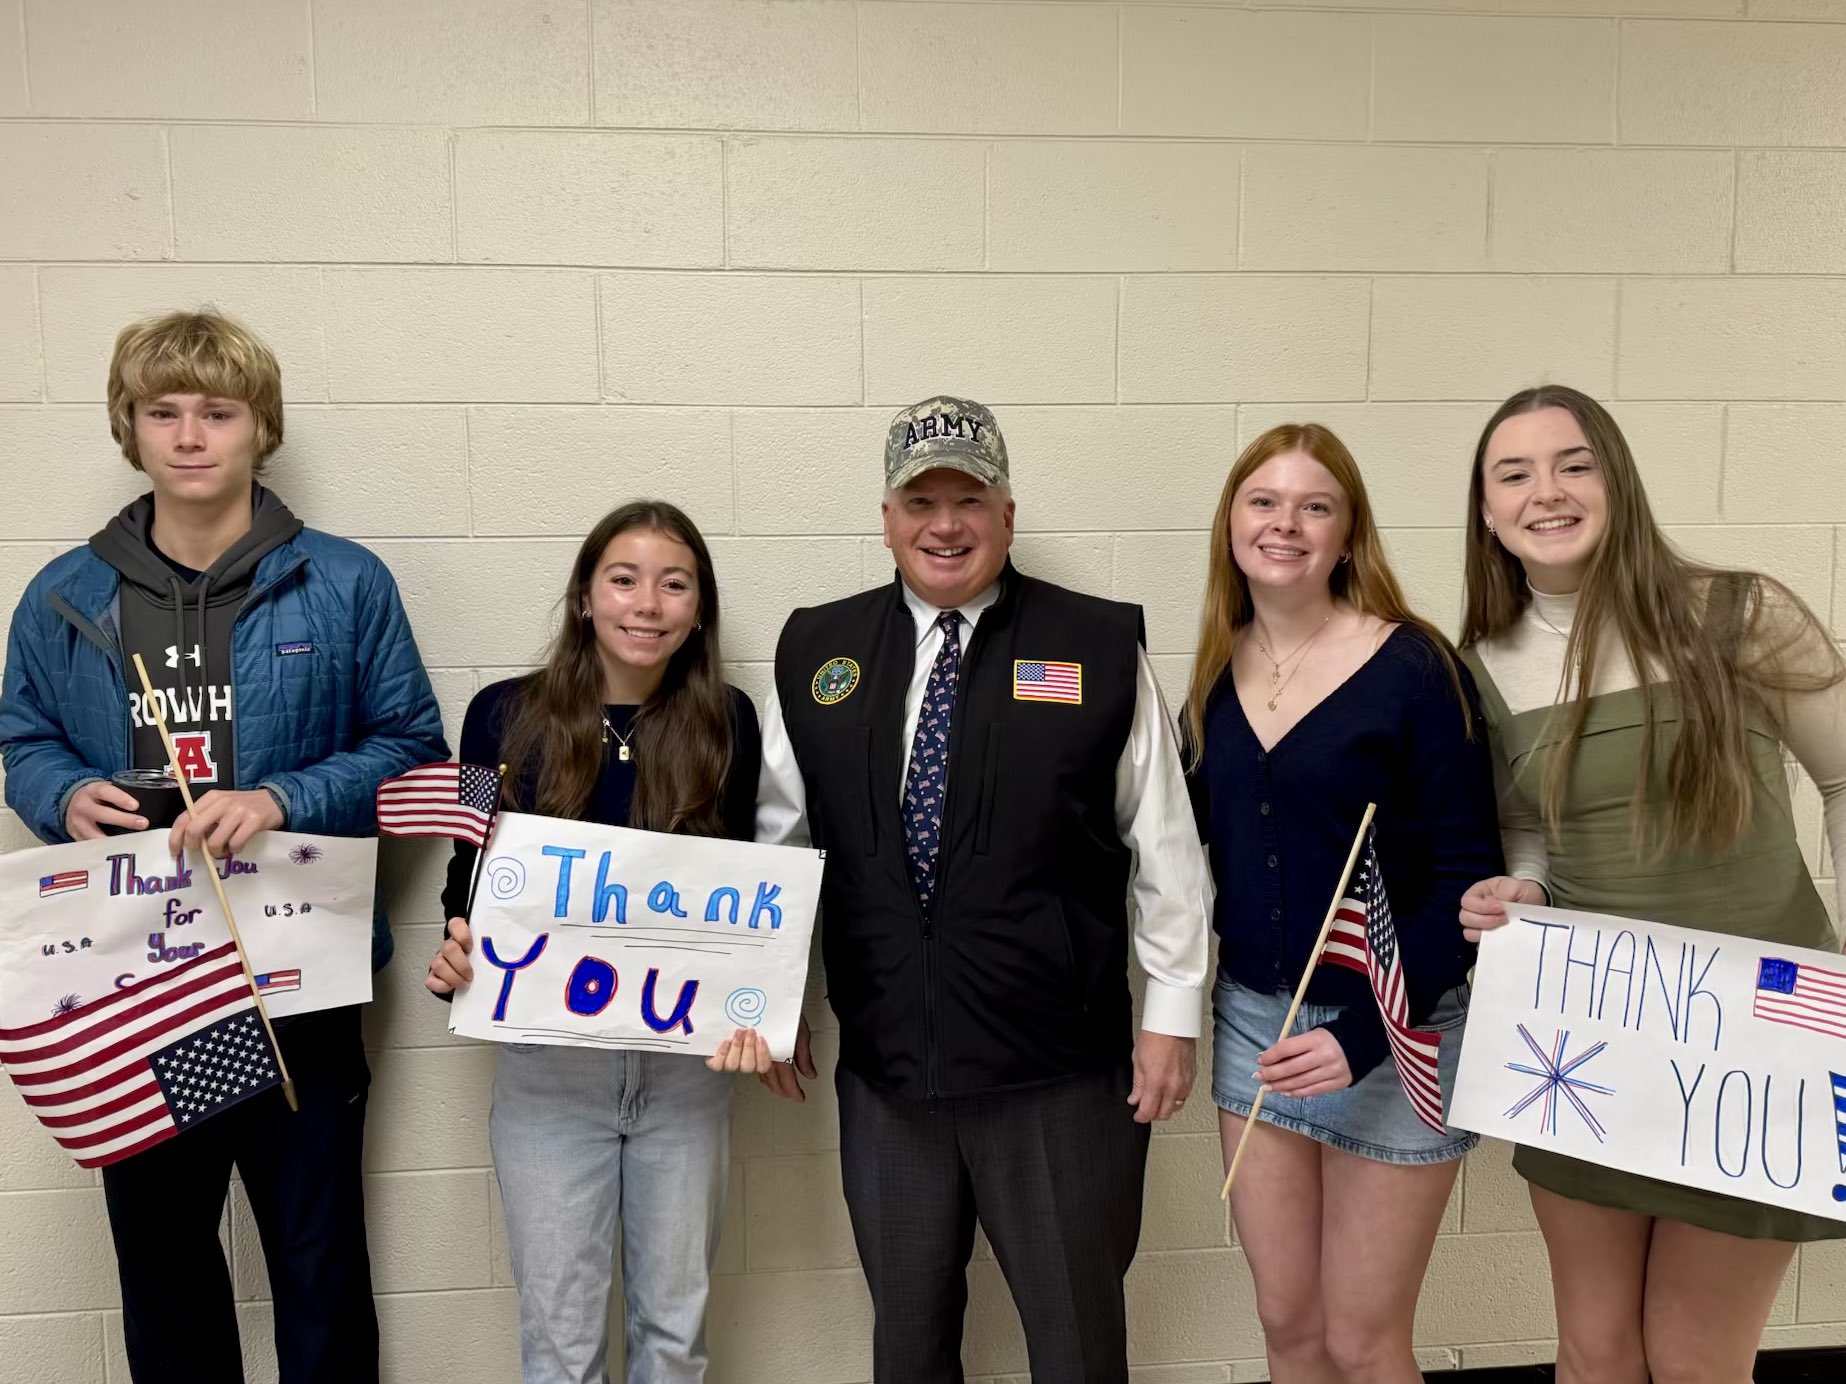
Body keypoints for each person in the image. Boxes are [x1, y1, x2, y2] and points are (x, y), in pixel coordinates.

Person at [0, 308, 447, 1382]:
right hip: (138, 987)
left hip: (294, 981)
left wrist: (284, 797)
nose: (191, 435)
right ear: (130, 427)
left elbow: (412, 748)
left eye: (218, 411)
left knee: (317, 1262)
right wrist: (62, 793)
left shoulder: (345, 582)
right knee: (165, 1268)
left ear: (261, 428)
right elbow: (22, 737)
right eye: (164, 411)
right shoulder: (63, 594)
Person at [752, 396, 1212, 1383]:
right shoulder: (818, 652)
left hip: (1058, 1073)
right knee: (908, 1346)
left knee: (1077, 1345)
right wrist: (766, 997)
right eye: (921, 501)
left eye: (969, 499)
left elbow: (1166, 846)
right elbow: (779, 845)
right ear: (887, 518)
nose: (945, 524)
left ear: (1007, 512)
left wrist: (1172, 1013)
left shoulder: (1093, 646)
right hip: (889, 1079)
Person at [1455, 385, 1846, 1384]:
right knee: (1593, 1354)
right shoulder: (1482, 664)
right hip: (1586, 1034)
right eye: (1514, 474)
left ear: (1617, 480)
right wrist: (1524, 891)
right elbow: (1525, 825)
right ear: (1488, 512)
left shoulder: (1739, 611)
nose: (1546, 491)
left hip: (1758, 1034)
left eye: (1573, 463)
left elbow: (1844, 777)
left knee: (1695, 1360)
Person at [424, 500, 766, 1384]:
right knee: (560, 1345)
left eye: (674, 584)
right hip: (549, 1070)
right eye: (623, 579)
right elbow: (468, 869)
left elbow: (746, 891)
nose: (647, 603)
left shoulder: (730, 719)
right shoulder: (498, 714)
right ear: (585, 595)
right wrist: (457, 945)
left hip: (684, 1070)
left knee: (674, 1338)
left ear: (699, 608)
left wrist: (760, 1002)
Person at [1187, 423, 1502, 1384]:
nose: (1285, 523)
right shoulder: (1213, 673)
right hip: (1258, 1026)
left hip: (1399, 1034)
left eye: (1314, 506)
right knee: (1289, 1326)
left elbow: (1465, 879)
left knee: (1365, 1342)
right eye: (1264, 501)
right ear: (1231, 523)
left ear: (1348, 534)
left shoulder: (1417, 668)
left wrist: (1365, 1034)